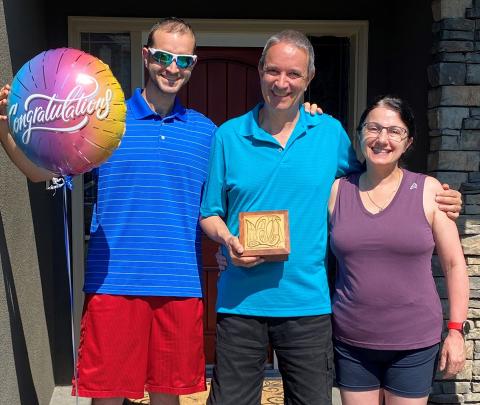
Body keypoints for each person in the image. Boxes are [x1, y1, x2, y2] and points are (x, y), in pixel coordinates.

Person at [0, 18, 325, 405]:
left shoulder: (208, 133)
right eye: (163, 56)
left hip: (178, 284)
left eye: (183, 60)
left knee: (167, 399)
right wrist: (7, 127)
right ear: (146, 56)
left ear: (193, 65)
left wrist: (304, 114)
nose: (172, 67)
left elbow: (231, 199)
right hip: (114, 283)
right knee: (107, 398)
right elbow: (40, 173)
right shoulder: (104, 123)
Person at [199, 30, 463, 405]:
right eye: (273, 71)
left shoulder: (329, 132)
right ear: (259, 71)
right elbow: (210, 214)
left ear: (309, 78)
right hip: (241, 304)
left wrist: (440, 197)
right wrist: (227, 241)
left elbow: (371, 181)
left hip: (309, 306)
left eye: (294, 74)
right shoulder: (228, 136)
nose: (282, 82)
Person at [328, 96, 469, 405]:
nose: (382, 139)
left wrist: (456, 331)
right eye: (373, 128)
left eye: (394, 131)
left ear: (408, 142)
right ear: (360, 134)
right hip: (352, 340)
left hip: (414, 343)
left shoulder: (430, 191)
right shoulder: (338, 190)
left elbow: (454, 264)